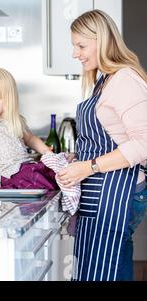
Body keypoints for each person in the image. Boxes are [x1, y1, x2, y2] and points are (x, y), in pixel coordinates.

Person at [58, 9, 147, 281]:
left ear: (103, 40)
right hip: (103, 196)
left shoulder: (124, 79)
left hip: (117, 195)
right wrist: (80, 156)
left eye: (81, 45)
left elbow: (144, 143)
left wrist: (89, 166)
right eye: (74, 45)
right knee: (104, 270)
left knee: (105, 272)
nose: (75, 54)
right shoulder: (104, 81)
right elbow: (111, 137)